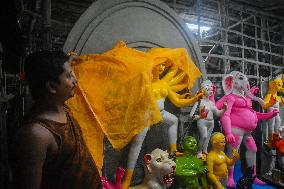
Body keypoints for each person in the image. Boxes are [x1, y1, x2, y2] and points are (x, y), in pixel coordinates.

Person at [11, 51, 102, 189]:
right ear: (52, 86)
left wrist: (68, 61)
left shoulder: (61, 107)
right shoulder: (36, 134)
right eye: (69, 76)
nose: (75, 80)